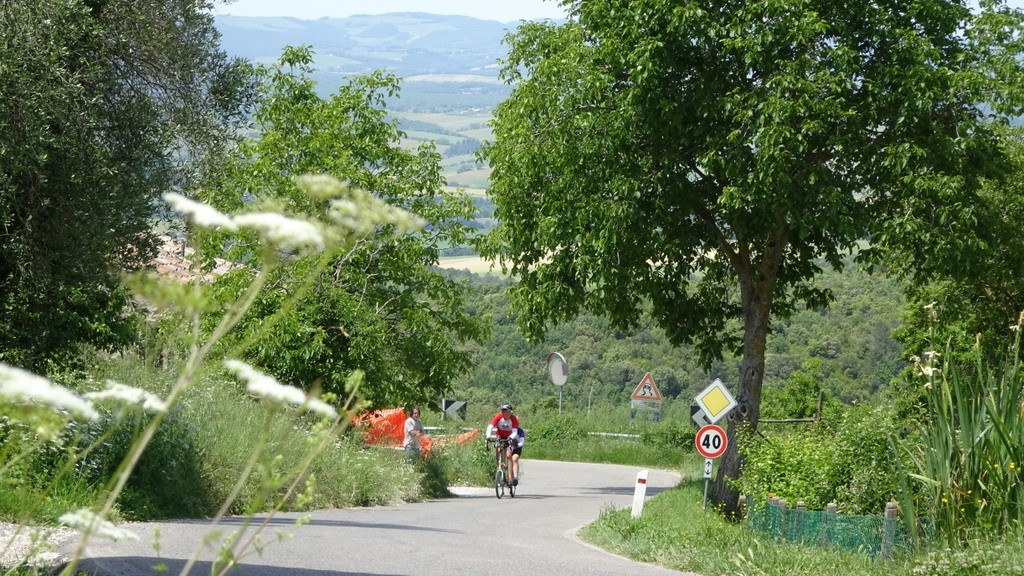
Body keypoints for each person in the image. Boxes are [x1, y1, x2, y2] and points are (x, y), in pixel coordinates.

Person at [485, 403, 521, 485]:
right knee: (498, 450)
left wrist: (510, 438)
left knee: (509, 455)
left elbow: (515, 432)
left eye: (508, 412)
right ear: (502, 412)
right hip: (500, 437)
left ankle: (510, 478)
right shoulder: (498, 417)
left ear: (511, 412)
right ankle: (500, 465)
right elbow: (490, 427)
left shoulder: (513, 419)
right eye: (504, 412)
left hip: (510, 437)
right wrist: (488, 436)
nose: (507, 414)